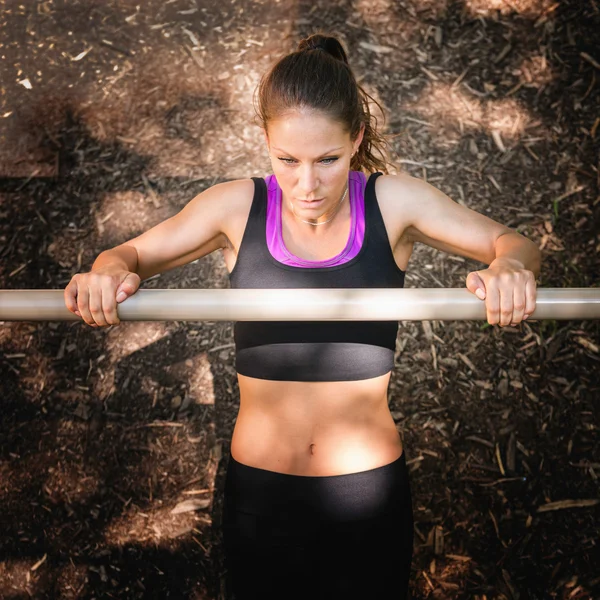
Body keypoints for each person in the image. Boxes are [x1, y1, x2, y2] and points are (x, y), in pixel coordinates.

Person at [64, 33, 541, 600]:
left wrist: (511, 267)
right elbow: (130, 254)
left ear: (356, 138)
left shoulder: (393, 204)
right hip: (260, 495)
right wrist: (105, 268)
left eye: (328, 160)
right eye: (286, 160)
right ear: (265, 141)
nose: (306, 184)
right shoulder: (236, 207)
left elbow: (513, 243)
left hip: (364, 491)